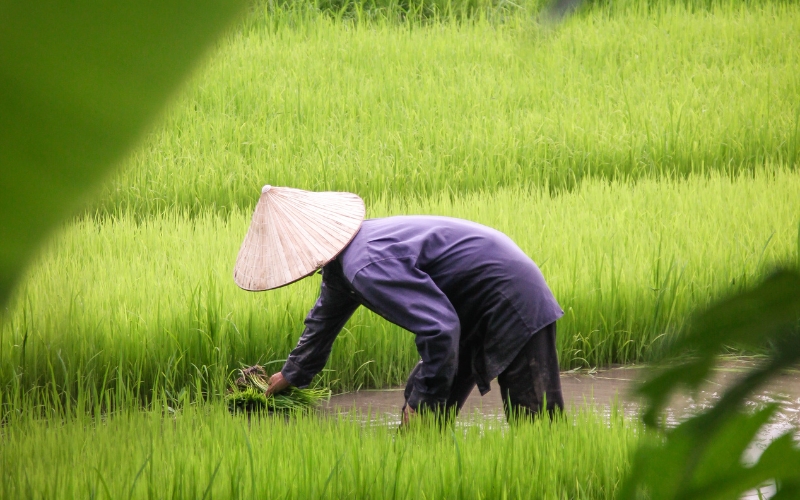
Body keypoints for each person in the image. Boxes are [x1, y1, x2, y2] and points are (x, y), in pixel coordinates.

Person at [234, 187, 564, 424]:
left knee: (535, 423)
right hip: (471, 305)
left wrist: (423, 404)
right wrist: (291, 374)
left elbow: (440, 328)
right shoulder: (341, 266)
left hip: (512, 295)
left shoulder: (364, 265)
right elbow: (321, 325)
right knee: (420, 414)